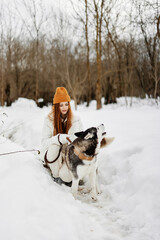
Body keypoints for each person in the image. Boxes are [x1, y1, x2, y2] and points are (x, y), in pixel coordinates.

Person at [40, 87, 83, 185]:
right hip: (55, 155)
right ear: (56, 106)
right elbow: (44, 142)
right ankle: (55, 176)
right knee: (54, 146)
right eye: (61, 105)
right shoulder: (49, 119)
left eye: (66, 104)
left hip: (70, 154)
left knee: (66, 177)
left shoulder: (76, 119)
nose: (64, 107)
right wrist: (58, 139)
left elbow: (81, 142)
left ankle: (70, 176)